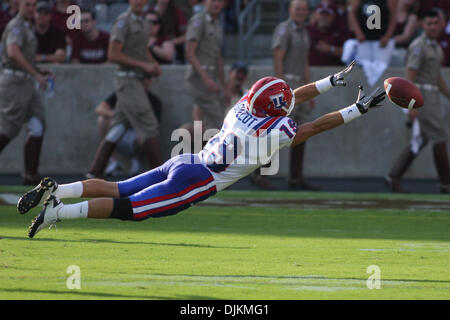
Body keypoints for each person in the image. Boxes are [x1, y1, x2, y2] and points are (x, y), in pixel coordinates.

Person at [20, 61, 386, 239]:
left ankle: (60, 190)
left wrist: (331, 81)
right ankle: (59, 214)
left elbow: (291, 96)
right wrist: (359, 109)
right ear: (274, 107)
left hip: (188, 159)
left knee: (120, 188)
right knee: (128, 209)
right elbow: (315, 125)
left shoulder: (242, 106)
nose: (288, 99)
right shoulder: (273, 131)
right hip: (198, 179)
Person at [87, 0, 163, 179]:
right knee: (149, 125)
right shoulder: (123, 21)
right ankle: (163, 177)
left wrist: (152, 62)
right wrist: (144, 65)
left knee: (118, 128)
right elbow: (113, 54)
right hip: (127, 80)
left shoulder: (143, 22)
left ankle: (94, 172)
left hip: (135, 80)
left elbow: (142, 50)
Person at [386, 10, 450, 194]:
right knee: (439, 136)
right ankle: (446, 182)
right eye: (428, 23)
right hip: (421, 96)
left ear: (441, 25)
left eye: (435, 23)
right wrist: (410, 105)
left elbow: (437, 77)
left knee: (421, 139)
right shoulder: (419, 46)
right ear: (423, 25)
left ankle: (394, 176)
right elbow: (410, 76)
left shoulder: (435, 47)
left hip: (433, 95)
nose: (432, 27)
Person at [0, 0, 51, 185]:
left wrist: (38, 70)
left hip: (27, 82)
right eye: (27, 5)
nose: (32, 9)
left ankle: (31, 174)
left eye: (34, 5)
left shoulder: (28, 26)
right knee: (9, 128)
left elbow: (24, 56)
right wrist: (35, 73)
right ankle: (31, 173)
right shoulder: (17, 26)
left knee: (38, 123)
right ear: (18, 5)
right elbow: (13, 52)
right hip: (15, 82)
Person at [272, 0, 320, 191]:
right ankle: (261, 175)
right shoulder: (284, 30)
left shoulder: (304, 32)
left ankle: (296, 177)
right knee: (276, 132)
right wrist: (279, 87)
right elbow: (278, 57)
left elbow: (305, 62)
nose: (300, 12)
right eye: (297, 8)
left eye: (303, 9)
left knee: (302, 131)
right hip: (287, 85)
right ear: (290, 10)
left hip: (301, 85)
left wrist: (312, 91)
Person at [95, 75, 163, 177]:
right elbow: (100, 108)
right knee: (102, 120)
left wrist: (134, 121)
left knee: (147, 132)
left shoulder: (154, 100)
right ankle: (111, 163)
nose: (144, 86)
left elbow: (153, 127)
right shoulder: (122, 94)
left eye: (147, 83)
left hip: (137, 136)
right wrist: (118, 117)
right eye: (142, 83)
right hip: (119, 131)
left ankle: (139, 162)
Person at [185, 0, 226, 136]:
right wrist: (206, 79)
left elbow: (218, 56)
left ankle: (206, 154)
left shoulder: (217, 24)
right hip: (199, 79)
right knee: (218, 122)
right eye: (213, 0)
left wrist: (222, 82)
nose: (216, 4)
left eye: (220, 1)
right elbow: (190, 52)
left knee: (211, 124)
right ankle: (213, 156)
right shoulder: (199, 21)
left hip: (212, 78)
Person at [348, 0, 397, 85]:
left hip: (381, 41)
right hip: (364, 40)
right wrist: (358, 31)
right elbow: (352, 12)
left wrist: (387, 36)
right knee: (363, 68)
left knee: (381, 69)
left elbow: (393, 16)